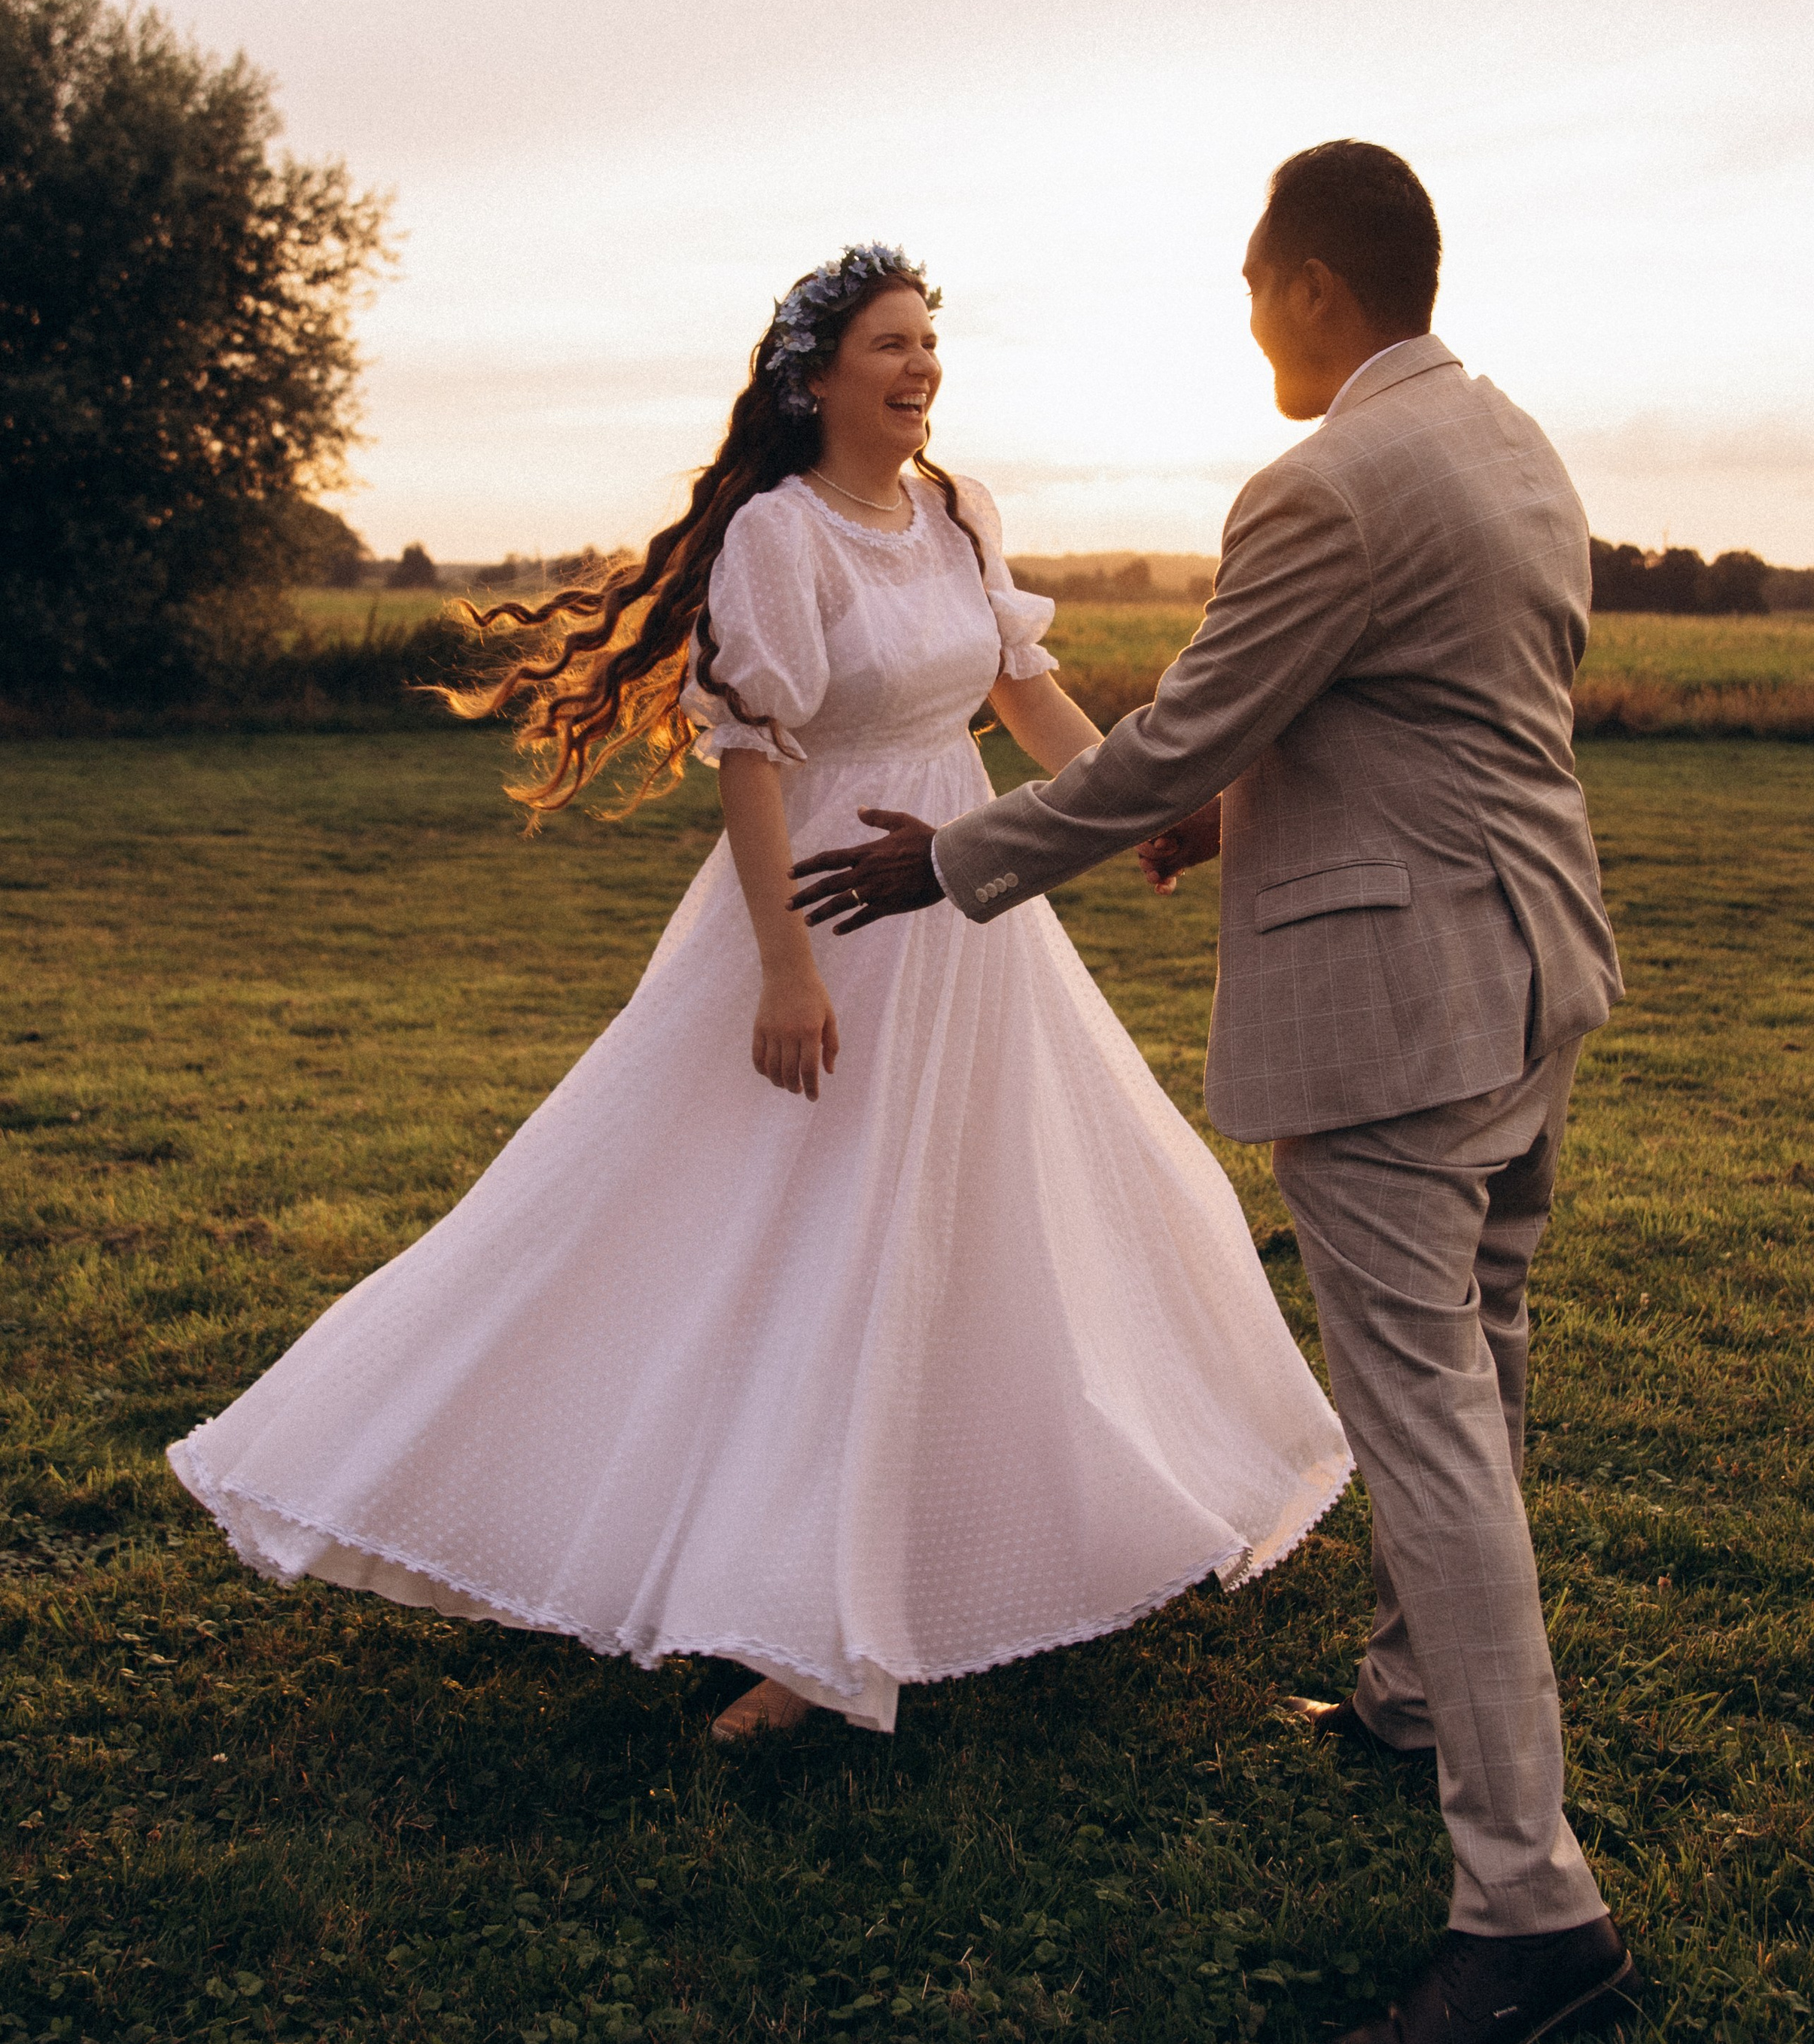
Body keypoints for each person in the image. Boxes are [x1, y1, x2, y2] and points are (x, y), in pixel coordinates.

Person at [169, 243, 1350, 1744]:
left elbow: (1024, 694)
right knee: (814, 1232)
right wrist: (785, 969)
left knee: (982, 1214)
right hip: (829, 909)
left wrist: (1134, 815)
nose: (919, 368)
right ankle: (793, 1618)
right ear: (812, 380)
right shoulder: (777, 540)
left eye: (930, 342)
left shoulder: (958, 513)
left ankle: (937, 1551)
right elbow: (751, 762)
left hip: (963, 906)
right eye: (887, 347)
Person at [791, 151, 1646, 2044]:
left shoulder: (1322, 482)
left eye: (1256, 290)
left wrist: (953, 865)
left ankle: (1527, 1909)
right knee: (1481, 1364)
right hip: (1533, 973)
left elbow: (1191, 730)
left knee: (1420, 1423)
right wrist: (1203, 805)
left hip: (1399, 1008)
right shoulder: (1507, 444)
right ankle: (1416, 1695)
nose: (1249, 324)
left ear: (1314, 289)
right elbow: (1385, 719)